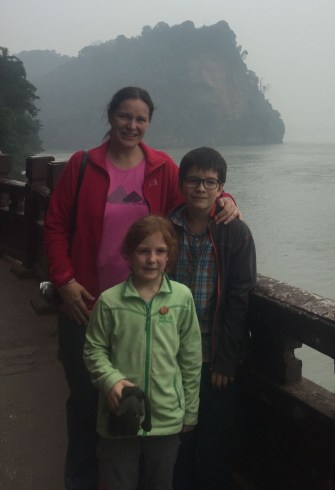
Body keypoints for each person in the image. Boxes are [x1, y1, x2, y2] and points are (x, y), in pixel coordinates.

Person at [44, 86, 239, 490]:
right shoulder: (83, 165)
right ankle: (82, 481)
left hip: (146, 306)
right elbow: (56, 225)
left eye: (141, 119)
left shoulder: (162, 168)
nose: (132, 125)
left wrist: (227, 200)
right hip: (86, 302)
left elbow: (197, 196)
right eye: (125, 116)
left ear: (149, 123)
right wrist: (64, 281)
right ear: (110, 116)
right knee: (85, 401)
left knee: (134, 398)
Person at [83, 215, 202, 490]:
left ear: (169, 256)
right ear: (128, 254)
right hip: (119, 414)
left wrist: (190, 411)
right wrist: (111, 380)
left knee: (160, 482)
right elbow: (93, 349)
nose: (152, 259)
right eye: (143, 251)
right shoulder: (110, 301)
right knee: (117, 481)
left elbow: (190, 359)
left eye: (160, 251)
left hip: (167, 415)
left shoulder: (182, 298)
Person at [170, 147, 257, 490]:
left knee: (215, 440)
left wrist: (226, 359)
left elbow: (239, 297)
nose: (201, 188)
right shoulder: (167, 228)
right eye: (193, 180)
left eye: (210, 182)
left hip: (213, 354)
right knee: (175, 439)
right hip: (171, 354)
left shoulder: (235, 233)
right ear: (182, 184)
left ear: (221, 188)